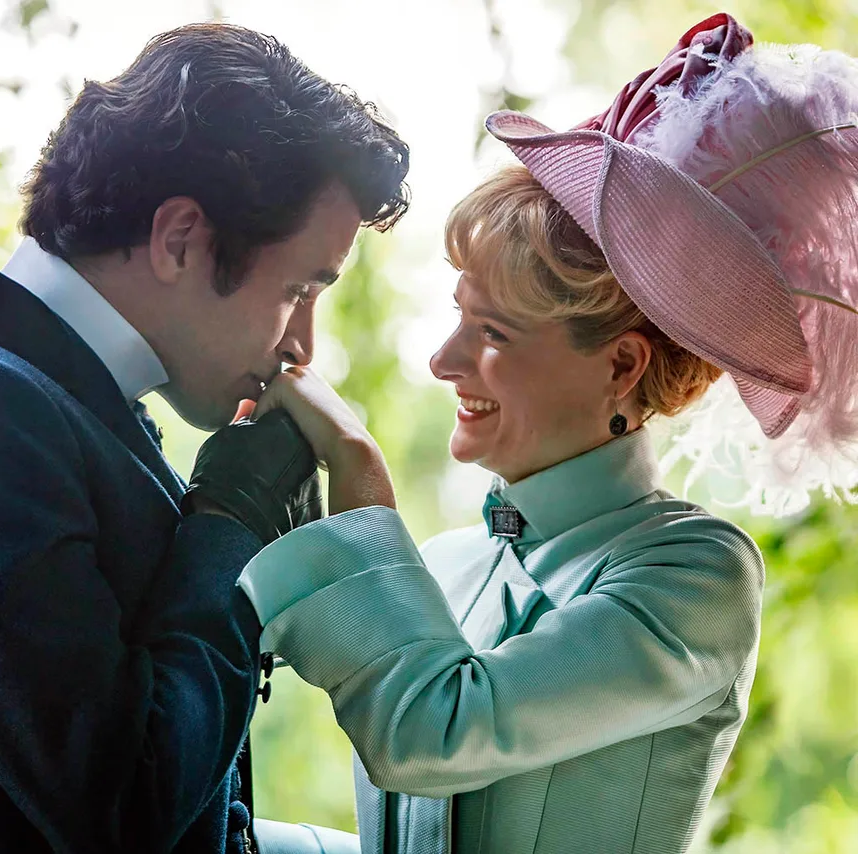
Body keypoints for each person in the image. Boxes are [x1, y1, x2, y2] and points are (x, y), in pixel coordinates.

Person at [211, 13, 858, 854]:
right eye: (457, 318)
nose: (444, 361)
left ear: (621, 366)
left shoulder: (694, 573)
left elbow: (433, 733)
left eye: (495, 334)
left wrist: (358, 473)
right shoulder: (444, 564)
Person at [0, 22, 408, 854]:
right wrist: (232, 520)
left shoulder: (60, 395)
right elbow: (125, 808)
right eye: (299, 289)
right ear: (181, 239)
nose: (303, 348)